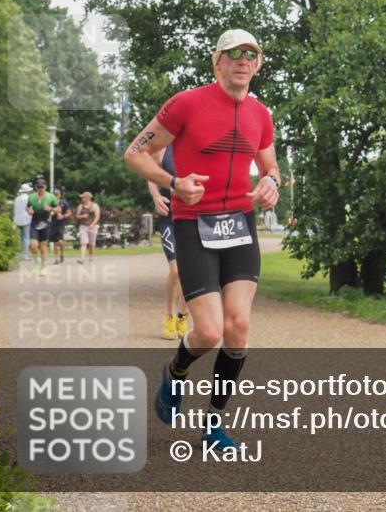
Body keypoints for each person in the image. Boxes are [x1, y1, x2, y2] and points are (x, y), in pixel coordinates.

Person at [123, 29, 279, 454]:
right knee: (208, 333)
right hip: (194, 224)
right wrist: (173, 182)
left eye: (251, 54)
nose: (243, 61)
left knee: (239, 327)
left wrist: (271, 183)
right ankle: (175, 371)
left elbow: (270, 165)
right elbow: (134, 153)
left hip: (240, 225)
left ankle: (213, 426)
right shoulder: (186, 103)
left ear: (258, 64)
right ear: (218, 62)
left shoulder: (261, 114)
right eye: (234, 54)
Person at [147, 145, 189, 340]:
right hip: (169, 217)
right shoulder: (163, 149)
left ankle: (183, 315)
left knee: (190, 272)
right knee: (176, 270)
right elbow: (150, 174)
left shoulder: (197, 145)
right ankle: (169, 315)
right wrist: (156, 197)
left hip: (192, 218)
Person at [27, 179, 58, 275]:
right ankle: (36, 263)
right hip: (34, 222)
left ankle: (44, 267)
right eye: (39, 187)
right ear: (36, 187)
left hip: (46, 222)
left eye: (42, 187)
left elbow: (58, 209)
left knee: (43, 245)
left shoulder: (51, 197)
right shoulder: (31, 197)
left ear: (45, 187)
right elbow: (28, 207)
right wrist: (29, 211)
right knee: (33, 245)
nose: (40, 189)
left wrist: (51, 209)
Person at [74, 192, 101, 263]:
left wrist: (92, 224)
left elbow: (97, 216)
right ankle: (82, 258)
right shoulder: (80, 206)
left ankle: (91, 256)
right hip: (83, 226)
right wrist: (82, 216)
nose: (82, 199)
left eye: (83, 197)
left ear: (88, 198)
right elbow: (77, 216)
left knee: (91, 244)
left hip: (93, 227)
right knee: (83, 243)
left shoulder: (95, 206)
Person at [49, 188, 72, 264]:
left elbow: (69, 213)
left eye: (57, 194)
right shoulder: (50, 202)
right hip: (52, 224)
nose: (56, 196)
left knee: (60, 241)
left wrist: (63, 216)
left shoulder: (64, 203)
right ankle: (56, 259)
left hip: (60, 224)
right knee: (55, 242)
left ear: (60, 195)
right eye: (54, 194)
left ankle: (62, 253)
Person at [13, 183, 33, 261]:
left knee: (19, 238)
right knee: (26, 238)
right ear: (28, 191)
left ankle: (18, 254)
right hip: (27, 219)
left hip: (17, 219)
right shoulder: (29, 198)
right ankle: (25, 255)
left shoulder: (17, 199)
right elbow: (31, 209)